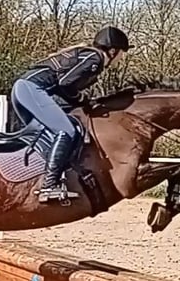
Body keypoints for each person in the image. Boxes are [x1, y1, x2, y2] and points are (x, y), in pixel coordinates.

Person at [10, 25, 131, 202]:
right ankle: (49, 186)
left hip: (23, 89)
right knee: (67, 131)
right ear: (113, 51)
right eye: (121, 53)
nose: (121, 58)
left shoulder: (88, 55)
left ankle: (31, 178)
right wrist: (83, 99)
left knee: (46, 138)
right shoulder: (95, 58)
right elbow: (65, 83)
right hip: (32, 89)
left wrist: (80, 100)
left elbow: (64, 88)